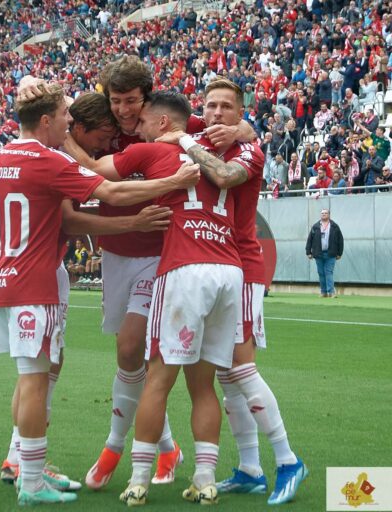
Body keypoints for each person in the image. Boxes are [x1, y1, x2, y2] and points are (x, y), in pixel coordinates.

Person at [0, 83, 199, 506]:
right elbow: (110, 192)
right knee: (36, 379)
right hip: (36, 280)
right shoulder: (50, 159)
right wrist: (172, 182)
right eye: (64, 114)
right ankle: (30, 480)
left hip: (2, 278)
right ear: (47, 120)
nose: (69, 121)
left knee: (35, 373)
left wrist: (0, 247)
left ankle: (26, 464)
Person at [56, 57, 252, 492]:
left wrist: (242, 128)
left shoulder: (174, 125)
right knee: (131, 359)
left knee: (137, 349)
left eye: (132, 102)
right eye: (117, 101)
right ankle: (168, 448)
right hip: (117, 253)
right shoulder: (100, 120)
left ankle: (115, 450)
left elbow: (231, 125)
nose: (124, 111)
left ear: (148, 101)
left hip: (163, 254)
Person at [160, 79, 307, 506]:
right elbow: (162, 116)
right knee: (226, 375)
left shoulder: (249, 150)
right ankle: (250, 468)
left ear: (241, 113)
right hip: (218, 268)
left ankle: (288, 459)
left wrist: (241, 133)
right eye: (211, 106)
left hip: (242, 267)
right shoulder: (201, 132)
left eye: (228, 106)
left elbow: (223, 175)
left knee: (241, 368)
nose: (218, 112)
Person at [111, 85, 257, 506]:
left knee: (158, 378)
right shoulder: (223, 151)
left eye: (142, 120)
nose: (136, 128)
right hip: (228, 269)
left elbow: (95, 171)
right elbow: (231, 147)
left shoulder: (153, 149)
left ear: (161, 122)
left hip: (184, 268)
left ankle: (139, 478)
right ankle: (205, 479)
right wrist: (242, 128)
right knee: (204, 384)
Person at [306, 208, 344, 297]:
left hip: (331, 253)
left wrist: (339, 253)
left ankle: (331, 292)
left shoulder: (334, 226)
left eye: (325, 213)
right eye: (322, 213)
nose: (323, 214)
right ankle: (323, 292)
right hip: (318, 253)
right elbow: (310, 239)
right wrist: (308, 252)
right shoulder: (315, 226)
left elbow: (340, 240)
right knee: (321, 273)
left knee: (329, 272)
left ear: (329, 215)